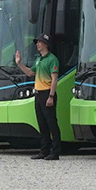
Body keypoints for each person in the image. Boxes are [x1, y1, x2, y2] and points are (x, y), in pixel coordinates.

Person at [15, 33, 61, 161]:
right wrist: (19, 63)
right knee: (42, 124)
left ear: (46, 44)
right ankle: (44, 150)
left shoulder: (52, 59)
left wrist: (51, 96)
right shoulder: (38, 59)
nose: (37, 44)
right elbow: (30, 72)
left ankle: (55, 151)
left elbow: (54, 79)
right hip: (38, 94)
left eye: (40, 42)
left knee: (51, 123)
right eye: (37, 42)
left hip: (47, 93)